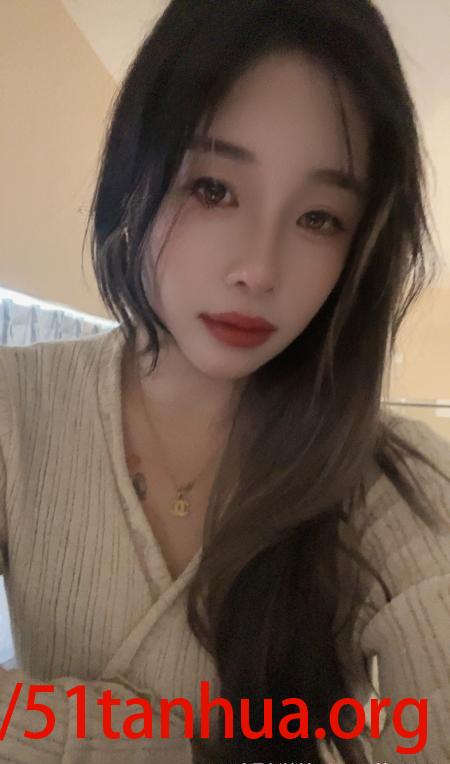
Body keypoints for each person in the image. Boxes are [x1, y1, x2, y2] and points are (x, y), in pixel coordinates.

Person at [0, 0, 449, 762]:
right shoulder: (18, 407)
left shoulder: (394, 482)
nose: (259, 270)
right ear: (137, 175)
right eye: (213, 189)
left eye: (319, 218)